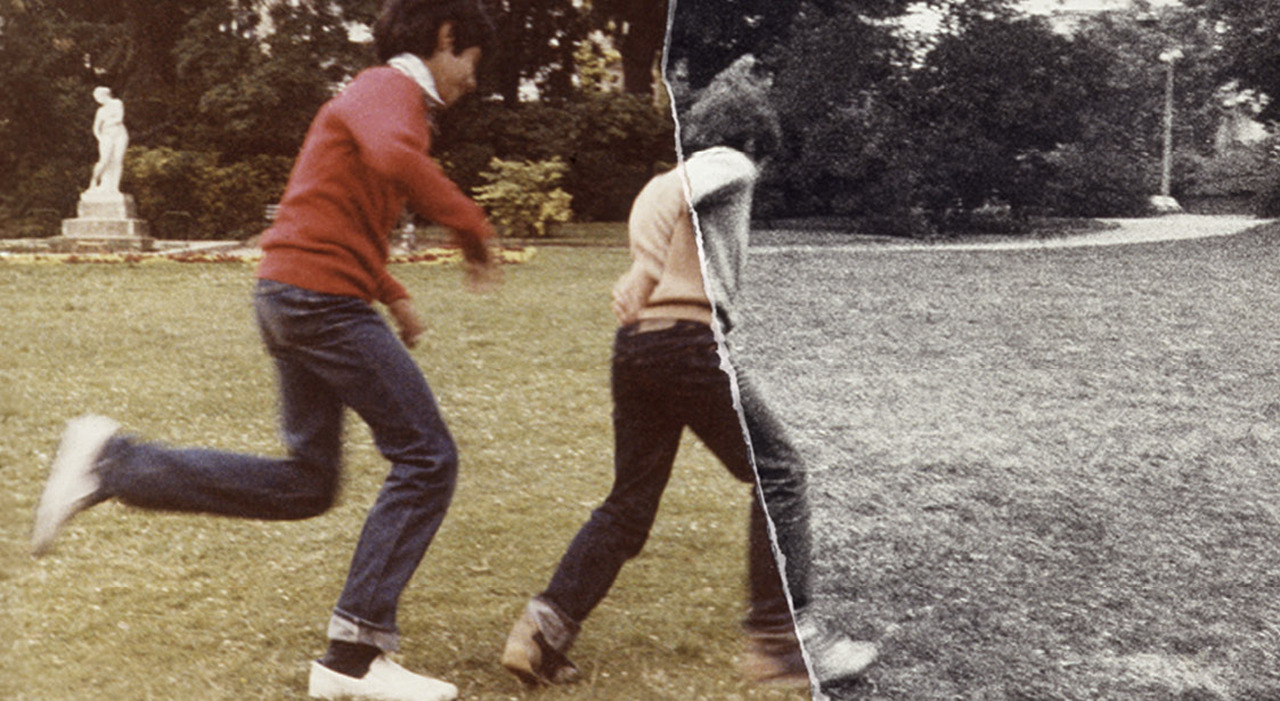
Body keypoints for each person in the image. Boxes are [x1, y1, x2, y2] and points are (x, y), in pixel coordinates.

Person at [31, 2, 498, 700]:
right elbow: (393, 158)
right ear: (447, 38)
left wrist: (393, 293)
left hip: (295, 294)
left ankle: (115, 464)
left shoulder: (377, 98)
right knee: (428, 458)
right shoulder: (388, 88)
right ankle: (354, 657)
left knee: (308, 483)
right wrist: (470, 224)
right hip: (319, 302)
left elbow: (333, 214)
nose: (472, 81)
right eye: (472, 63)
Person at [500, 56, 878, 698]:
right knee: (779, 472)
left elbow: (654, 193)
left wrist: (646, 272)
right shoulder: (733, 162)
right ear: (753, 139)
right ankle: (784, 638)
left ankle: (541, 630)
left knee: (629, 504)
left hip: (639, 348)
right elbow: (663, 199)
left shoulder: (681, 170)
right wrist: (648, 268)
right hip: (689, 344)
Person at [89, 86, 128, 194]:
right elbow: (96, 127)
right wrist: (99, 138)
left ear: (104, 95)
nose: (97, 100)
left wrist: (106, 123)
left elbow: (119, 118)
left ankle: (114, 187)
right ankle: (94, 181)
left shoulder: (117, 103)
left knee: (117, 160)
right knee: (104, 160)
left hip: (119, 134)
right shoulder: (100, 111)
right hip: (106, 136)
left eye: (97, 97)